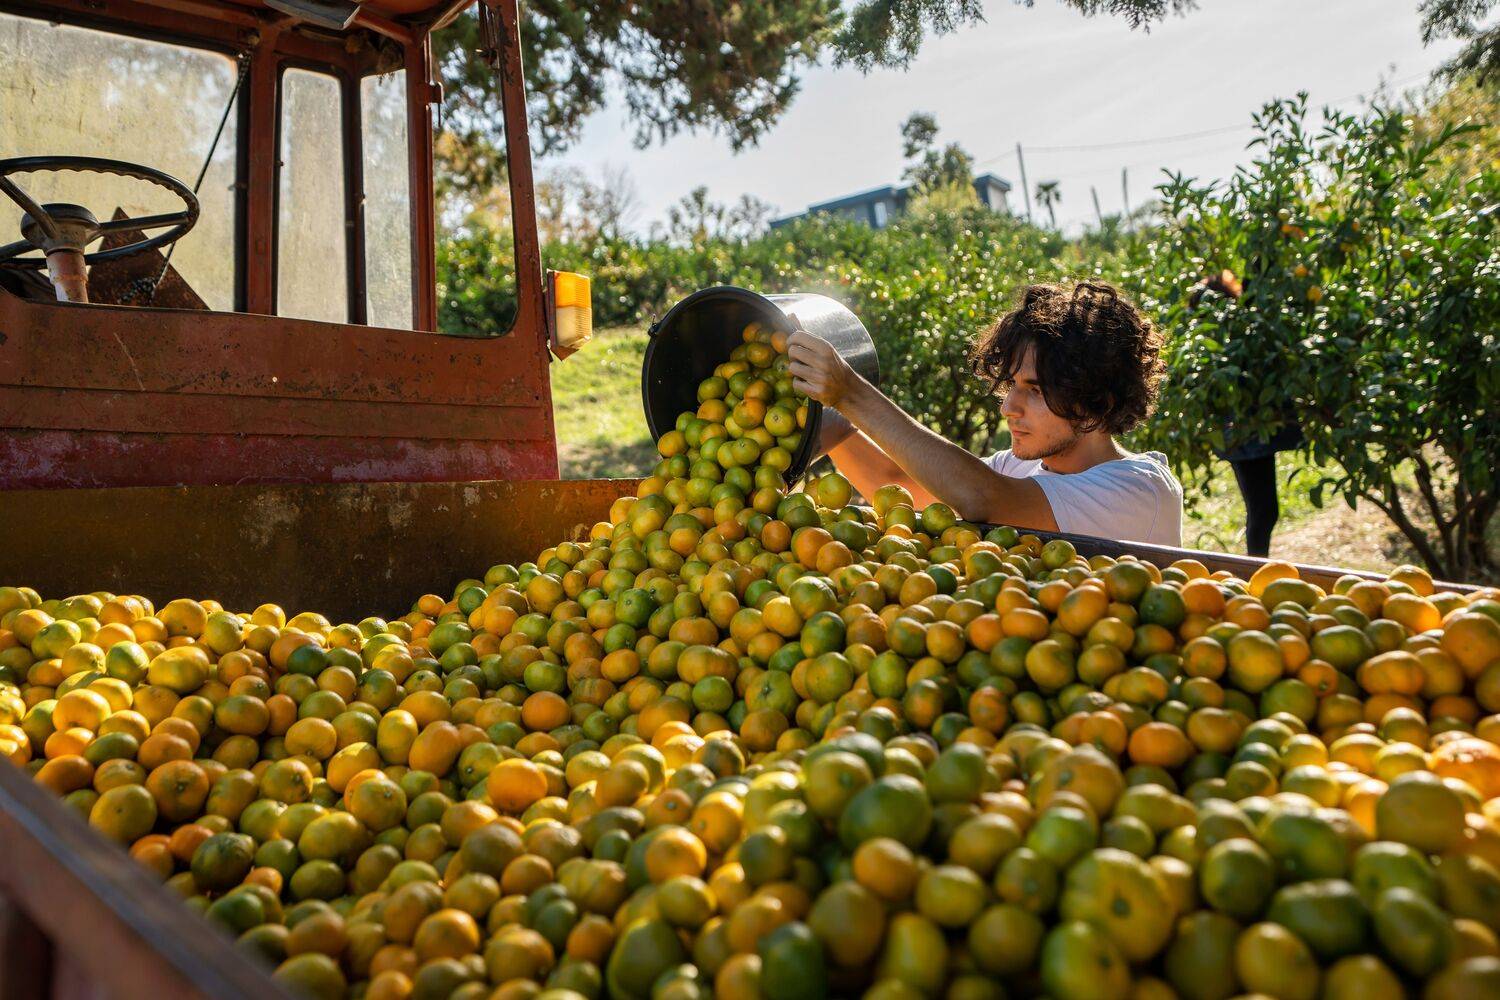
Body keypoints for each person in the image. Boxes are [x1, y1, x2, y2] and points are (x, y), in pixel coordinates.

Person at [788, 280, 1183, 546]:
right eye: (1012, 385)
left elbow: (982, 498)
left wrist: (852, 391)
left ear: (1099, 400)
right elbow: (903, 489)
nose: (1009, 407)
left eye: (1035, 390)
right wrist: (828, 424)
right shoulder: (1017, 468)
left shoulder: (1140, 489)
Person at [1188, 269, 1302, 558]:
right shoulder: (1230, 337)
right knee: (1263, 512)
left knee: (1262, 511)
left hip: (1242, 433)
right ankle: (1255, 568)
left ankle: (1256, 565)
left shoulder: (1219, 337)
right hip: (1244, 433)